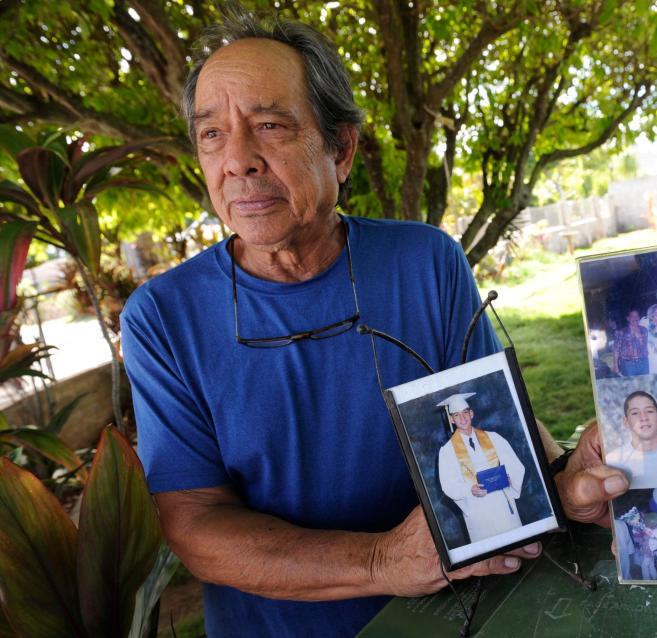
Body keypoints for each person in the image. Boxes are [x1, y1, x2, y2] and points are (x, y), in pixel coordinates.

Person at [120, 11, 628, 637]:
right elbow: (194, 523)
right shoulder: (162, 317)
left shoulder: (425, 261)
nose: (238, 161)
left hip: (456, 614)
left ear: (341, 149)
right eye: (212, 136)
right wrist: (384, 560)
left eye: (270, 126)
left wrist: (565, 478)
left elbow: (492, 418)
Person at [436, 393, 526, 543]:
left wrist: (510, 478)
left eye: (465, 412)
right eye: (457, 415)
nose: (463, 418)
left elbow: (515, 465)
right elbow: (448, 485)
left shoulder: (494, 437)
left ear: (471, 413)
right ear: (451, 419)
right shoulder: (447, 451)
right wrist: (469, 489)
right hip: (477, 508)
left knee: (516, 543)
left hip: (502, 503)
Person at [605, 391, 657, 488]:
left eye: (649, 411)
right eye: (635, 413)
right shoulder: (613, 460)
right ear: (626, 422)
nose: (643, 418)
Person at [612, 309, 649, 377]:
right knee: (630, 386)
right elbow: (616, 349)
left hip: (643, 363)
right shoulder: (621, 332)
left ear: (639, 317)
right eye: (632, 316)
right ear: (628, 318)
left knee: (644, 384)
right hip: (628, 364)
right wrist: (615, 365)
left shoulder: (644, 330)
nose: (635, 318)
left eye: (637, 316)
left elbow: (646, 345)